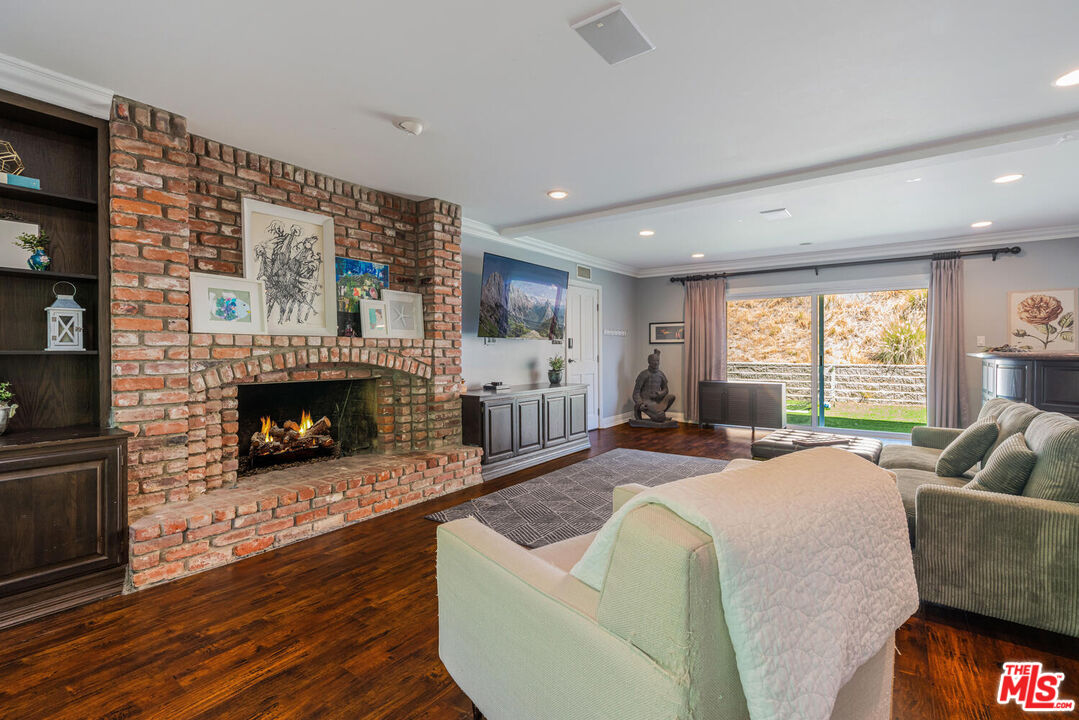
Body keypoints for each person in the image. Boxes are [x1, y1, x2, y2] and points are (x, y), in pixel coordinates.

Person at [632, 349, 676, 423]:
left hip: (657, 401)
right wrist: (640, 404)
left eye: (657, 361)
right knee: (660, 418)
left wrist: (660, 393)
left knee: (671, 397)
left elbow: (666, 389)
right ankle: (657, 414)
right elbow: (636, 392)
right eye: (653, 361)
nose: (656, 363)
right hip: (646, 401)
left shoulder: (661, 374)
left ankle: (659, 412)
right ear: (649, 362)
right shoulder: (643, 374)